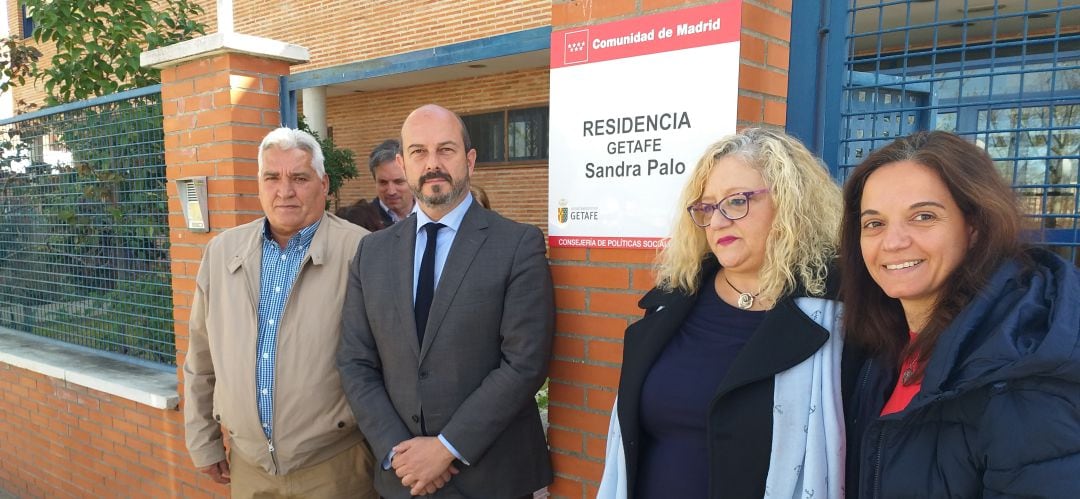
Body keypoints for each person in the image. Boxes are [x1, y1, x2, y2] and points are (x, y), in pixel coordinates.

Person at [598, 128, 847, 498]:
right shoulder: (671, 305)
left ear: (791, 203)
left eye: (736, 202)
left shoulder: (835, 316)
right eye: (706, 207)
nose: (716, 222)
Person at [841, 131, 1080, 497]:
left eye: (923, 216)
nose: (892, 242)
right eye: (875, 223)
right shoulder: (882, 344)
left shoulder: (1022, 377)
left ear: (974, 227)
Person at [337, 104, 554, 498]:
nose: (432, 163)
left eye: (446, 150)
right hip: (402, 479)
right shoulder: (372, 253)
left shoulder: (517, 244)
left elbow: (524, 362)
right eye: (419, 152)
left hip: (491, 479)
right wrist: (397, 451)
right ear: (403, 164)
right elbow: (355, 362)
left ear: (469, 159)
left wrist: (445, 448)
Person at [183, 127, 377, 498]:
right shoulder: (222, 253)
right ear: (259, 183)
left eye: (299, 178)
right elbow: (200, 357)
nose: (284, 191)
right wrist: (203, 440)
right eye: (272, 177)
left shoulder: (363, 251)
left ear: (324, 183)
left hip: (336, 468)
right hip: (249, 469)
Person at [368, 138, 414, 226]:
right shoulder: (362, 222)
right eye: (383, 182)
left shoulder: (433, 217)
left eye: (399, 182)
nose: (391, 191)